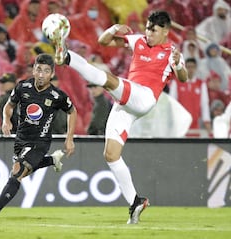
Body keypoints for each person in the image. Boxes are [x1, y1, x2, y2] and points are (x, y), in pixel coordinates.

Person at [46, 10, 188, 224]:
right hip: (126, 103)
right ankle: (135, 202)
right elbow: (102, 41)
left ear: (166, 32)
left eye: (153, 30)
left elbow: (184, 78)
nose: (148, 33)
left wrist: (177, 64)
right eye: (147, 27)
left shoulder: (171, 51)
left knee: (108, 80)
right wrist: (113, 29)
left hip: (144, 97)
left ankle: (66, 57)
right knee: (111, 154)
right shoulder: (138, 40)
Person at [0, 53, 77, 221]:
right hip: (21, 139)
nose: (41, 75)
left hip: (40, 141)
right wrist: (6, 121)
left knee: (17, 171)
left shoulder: (57, 96)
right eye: (38, 70)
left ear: (52, 74)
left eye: (46, 71)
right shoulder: (22, 87)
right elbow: (9, 106)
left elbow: (72, 111)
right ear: (33, 70)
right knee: (21, 173)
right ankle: (51, 160)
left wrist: (69, 137)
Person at [169, 58, 212, 137]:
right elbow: (172, 103)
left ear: (196, 68)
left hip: (195, 122)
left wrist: (207, 121)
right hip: (180, 122)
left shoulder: (201, 84)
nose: (190, 69)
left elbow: (204, 104)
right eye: (188, 67)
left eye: (192, 67)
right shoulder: (176, 82)